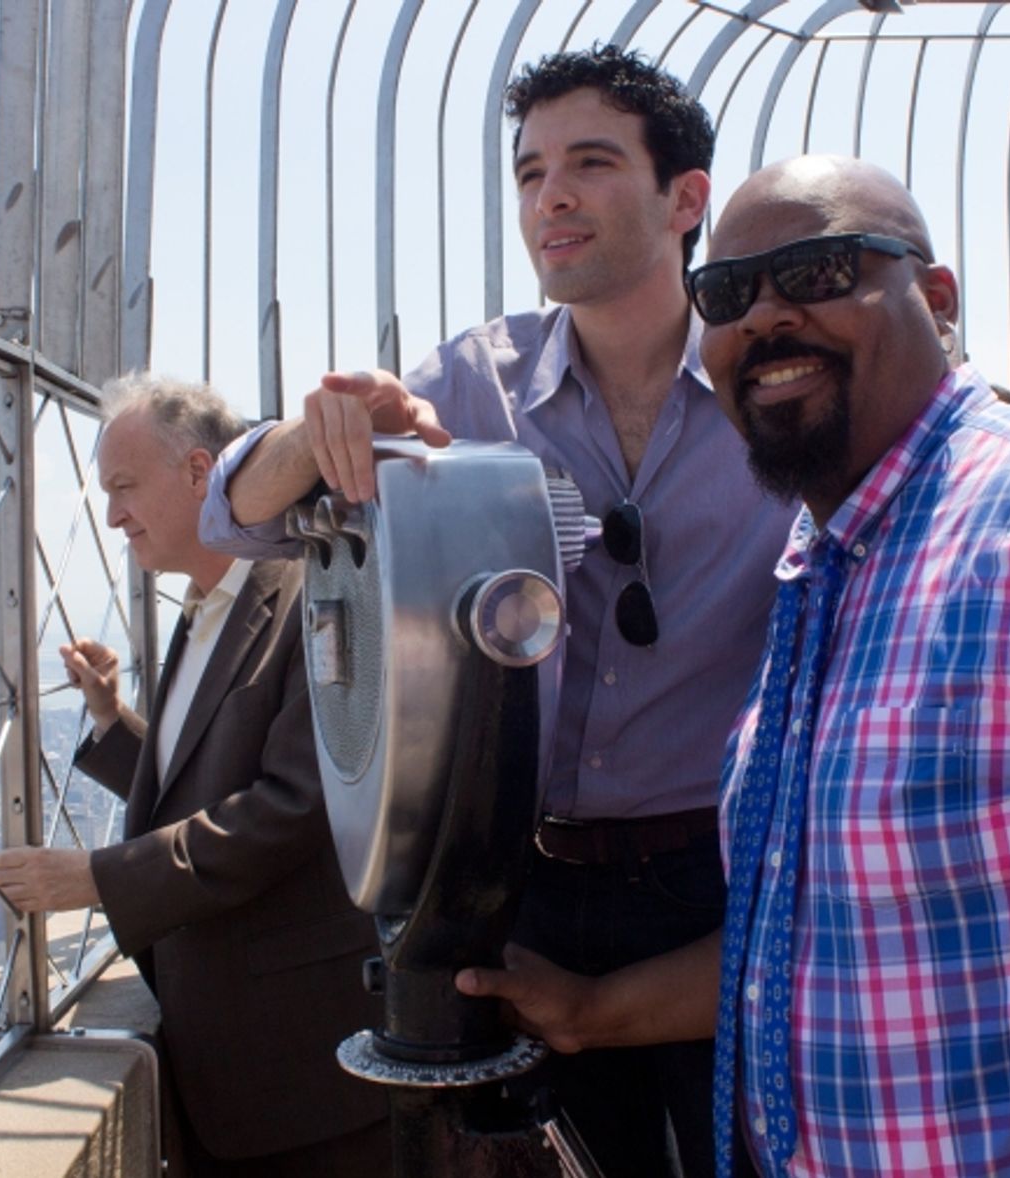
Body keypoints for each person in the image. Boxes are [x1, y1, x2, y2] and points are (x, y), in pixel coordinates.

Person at [456, 155, 1010, 1177]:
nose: (767, 316)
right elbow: (821, 937)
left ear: (936, 298)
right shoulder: (828, 565)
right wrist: (595, 1010)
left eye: (820, 270)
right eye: (728, 292)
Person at [199, 45, 796, 1178]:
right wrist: (316, 431)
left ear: (685, 199)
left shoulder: (763, 380)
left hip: (721, 884)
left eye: (587, 162)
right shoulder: (470, 384)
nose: (549, 196)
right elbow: (238, 517)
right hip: (525, 882)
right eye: (526, 173)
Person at [0, 373, 388, 1177]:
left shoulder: (314, 593)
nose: (113, 515)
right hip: (228, 1069)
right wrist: (112, 721)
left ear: (202, 474)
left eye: (125, 486)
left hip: (304, 1083)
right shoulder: (209, 605)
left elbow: (294, 806)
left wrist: (99, 878)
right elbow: (209, 783)